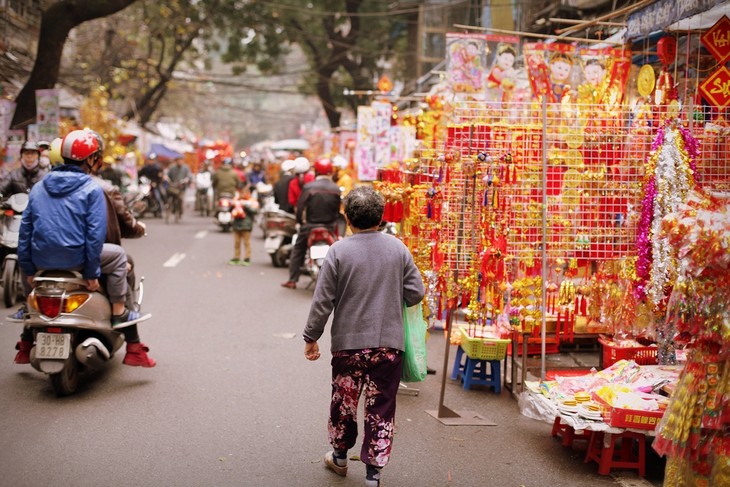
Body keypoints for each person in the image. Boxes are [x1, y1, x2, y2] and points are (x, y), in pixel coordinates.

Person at [302, 185, 425, 487]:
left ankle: (340, 458)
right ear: (381, 217)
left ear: (348, 218)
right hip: (389, 346)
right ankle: (373, 475)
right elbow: (416, 293)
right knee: (381, 406)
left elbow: (323, 301)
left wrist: (311, 336)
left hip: (348, 346)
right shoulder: (398, 249)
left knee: (344, 402)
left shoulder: (338, 251)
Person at [15, 129, 154, 367]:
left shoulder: (38, 188)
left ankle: (25, 345)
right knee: (120, 257)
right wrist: (91, 274)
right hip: (78, 260)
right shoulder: (92, 189)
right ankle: (120, 312)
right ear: (90, 159)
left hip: (41, 262)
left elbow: (24, 233)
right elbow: (94, 236)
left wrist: (28, 270)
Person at [281, 158, 341, 289]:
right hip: (329, 227)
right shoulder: (336, 189)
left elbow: (300, 207)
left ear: (316, 172)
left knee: (298, 250)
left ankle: (292, 280)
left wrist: (300, 222)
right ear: (330, 172)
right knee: (339, 251)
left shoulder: (309, 187)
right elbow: (338, 210)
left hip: (310, 226)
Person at [228, 184, 259, 266]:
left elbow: (255, 211)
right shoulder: (236, 200)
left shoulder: (251, 201)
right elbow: (230, 210)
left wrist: (245, 206)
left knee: (246, 243)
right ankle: (236, 257)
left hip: (246, 225)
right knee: (237, 242)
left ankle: (247, 257)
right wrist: (233, 205)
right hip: (236, 224)